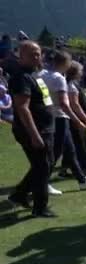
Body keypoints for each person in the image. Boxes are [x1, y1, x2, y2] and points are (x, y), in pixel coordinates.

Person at [7, 41, 56, 217]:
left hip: (46, 128)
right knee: (42, 167)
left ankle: (18, 195)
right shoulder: (21, 77)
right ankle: (40, 208)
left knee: (45, 165)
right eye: (32, 54)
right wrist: (34, 135)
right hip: (34, 130)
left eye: (38, 53)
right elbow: (22, 107)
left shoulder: (35, 74)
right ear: (21, 55)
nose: (37, 57)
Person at [41, 51, 86, 192]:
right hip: (60, 118)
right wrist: (78, 121)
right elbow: (65, 104)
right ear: (66, 63)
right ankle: (39, 182)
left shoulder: (42, 75)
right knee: (55, 153)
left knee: (70, 151)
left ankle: (82, 180)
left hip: (50, 115)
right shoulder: (59, 78)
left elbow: (44, 97)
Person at [65, 61, 86, 172]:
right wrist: (85, 119)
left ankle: (69, 168)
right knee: (81, 144)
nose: (82, 72)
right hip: (77, 120)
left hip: (77, 118)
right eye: (80, 70)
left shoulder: (74, 84)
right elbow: (75, 104)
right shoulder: (71, 85)